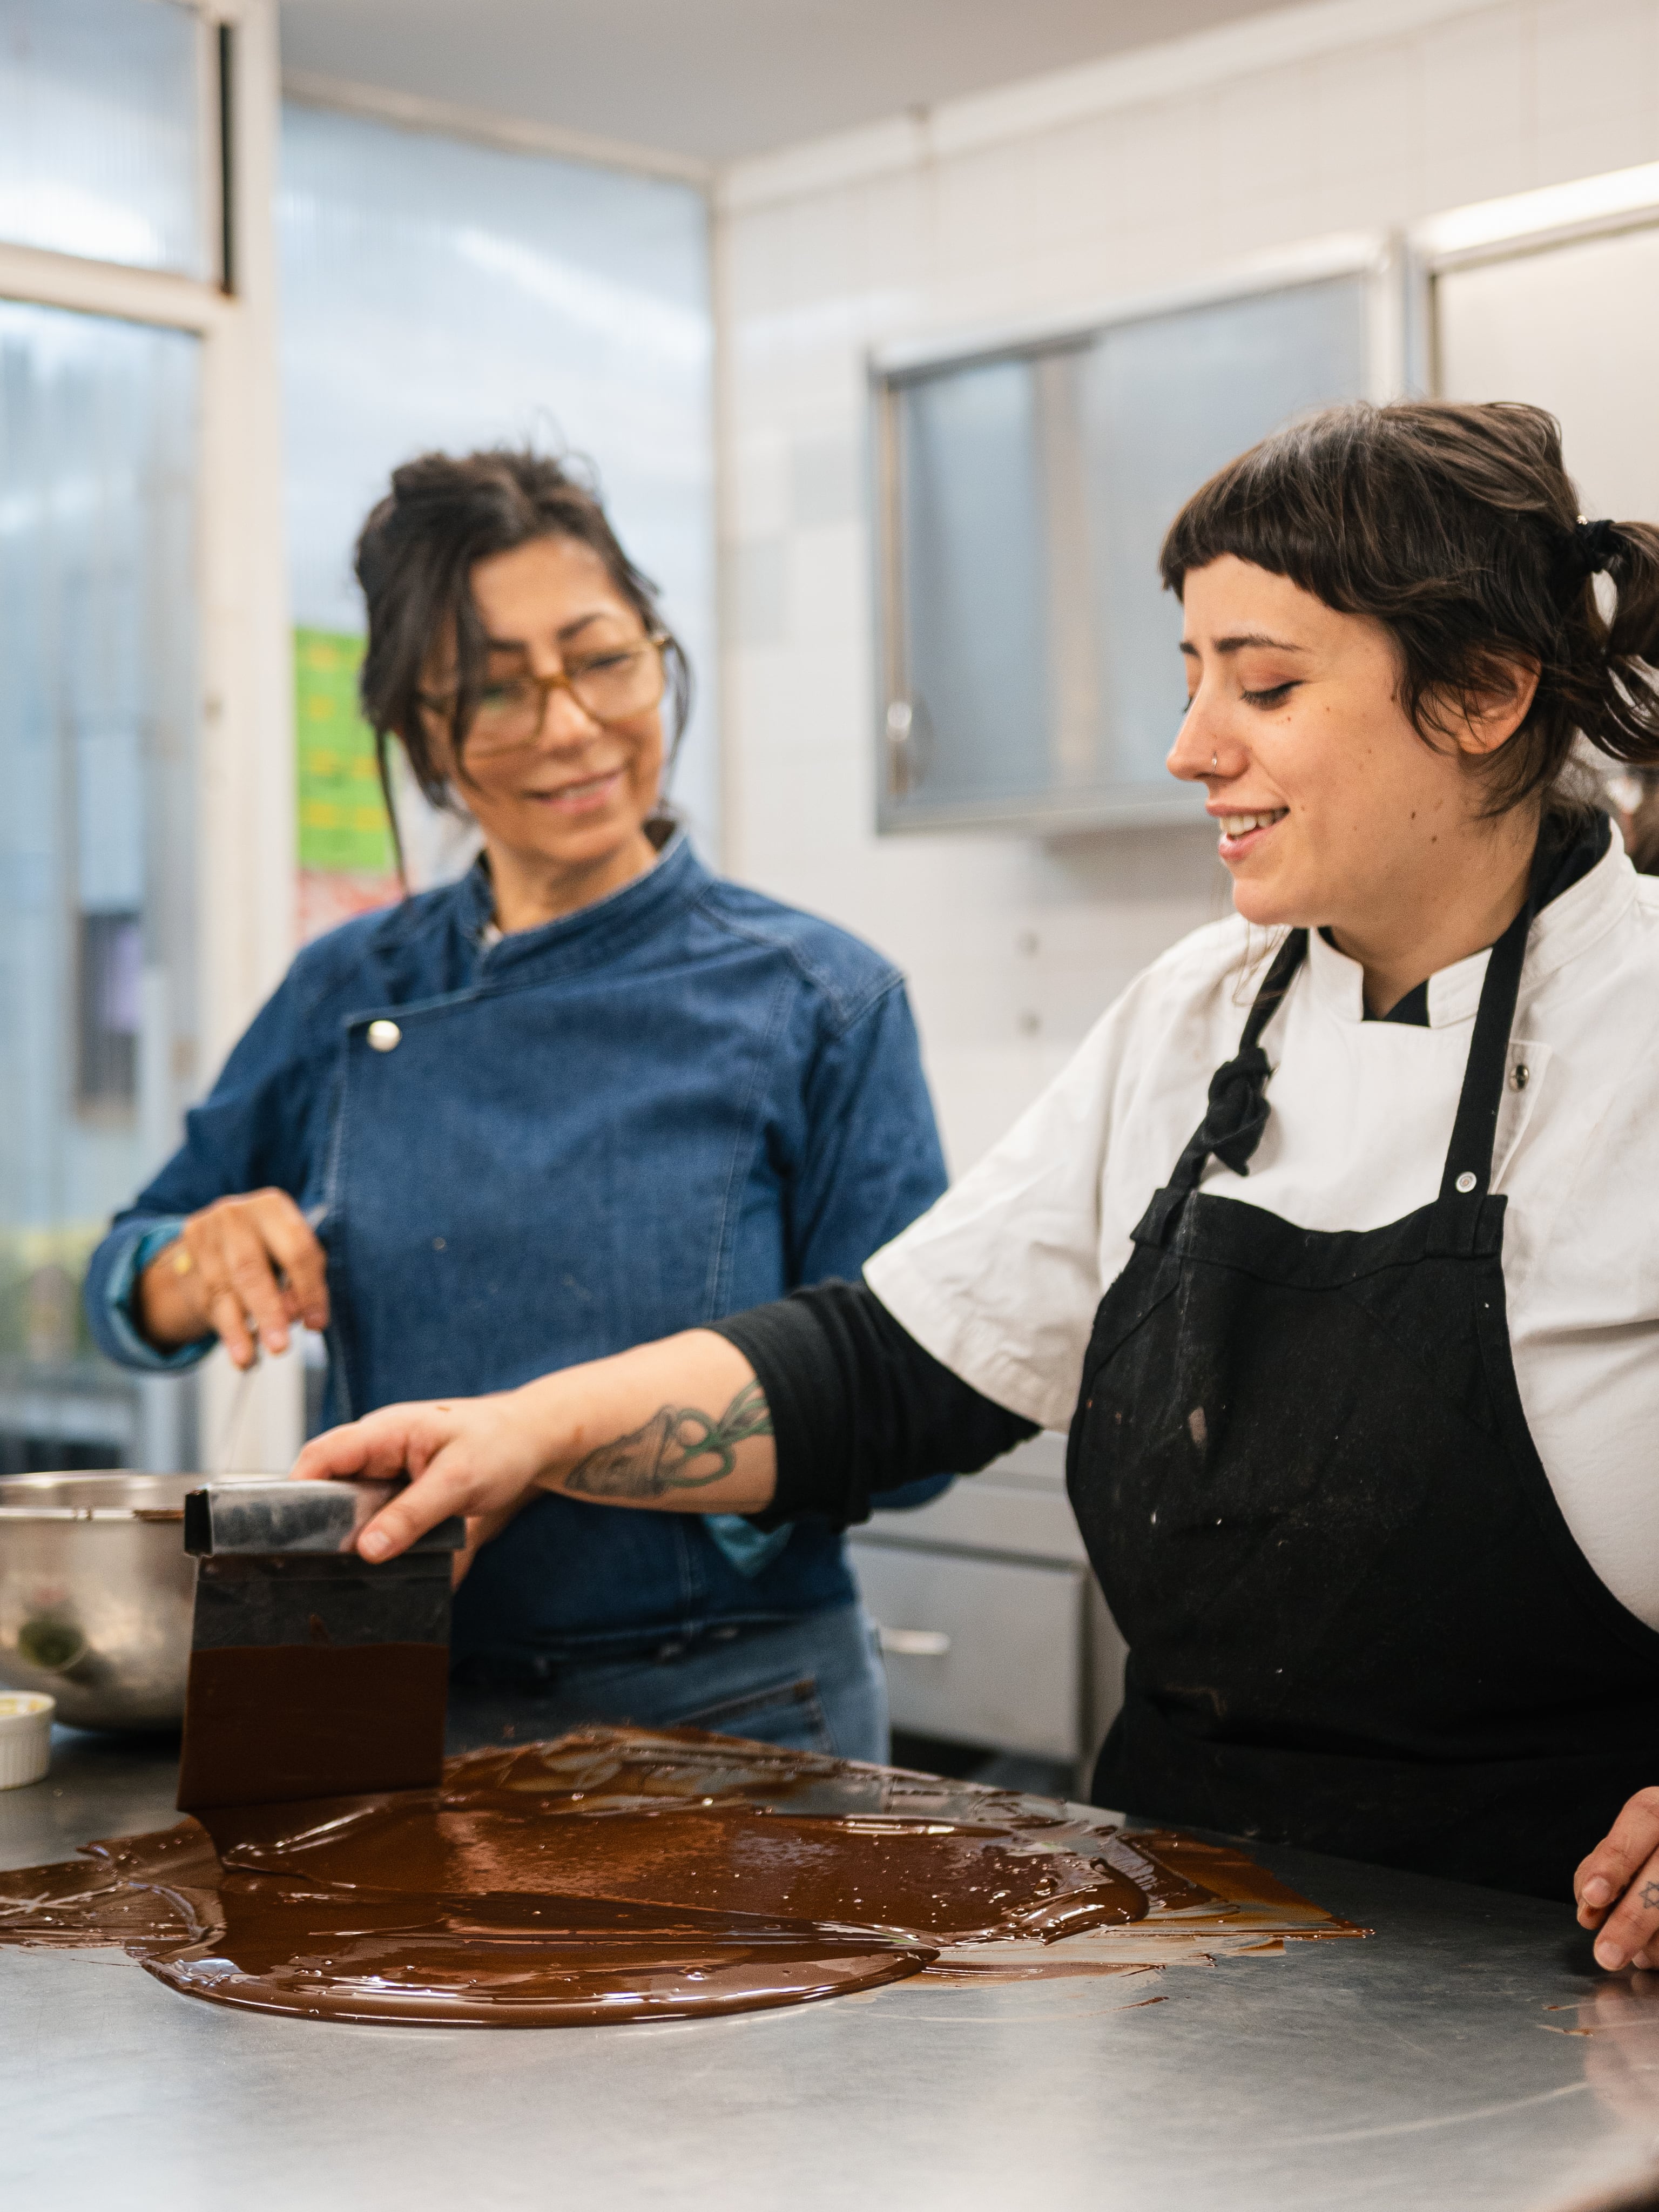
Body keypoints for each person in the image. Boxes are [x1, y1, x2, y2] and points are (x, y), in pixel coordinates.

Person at [296, 399, 1659, 1956]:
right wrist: (530, 1436)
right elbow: (895, 1367)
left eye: (1266, 685)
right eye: (1194, 675)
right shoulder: (1196, 1017)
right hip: (1201, 1956)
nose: (1190, 746)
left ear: (1483, 691)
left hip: (1556, 1989)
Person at [85, 447, 953, 1761]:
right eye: (494, 691)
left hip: (735, 1717)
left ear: (657, 647)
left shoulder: (820, 998)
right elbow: (124, 1281)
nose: (568, 724)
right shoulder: (350, 984)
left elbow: (913, 1417)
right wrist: (192, 1262)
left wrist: (563, 1447)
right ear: (420, 733)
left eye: (603, 658)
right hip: (400, 1696)